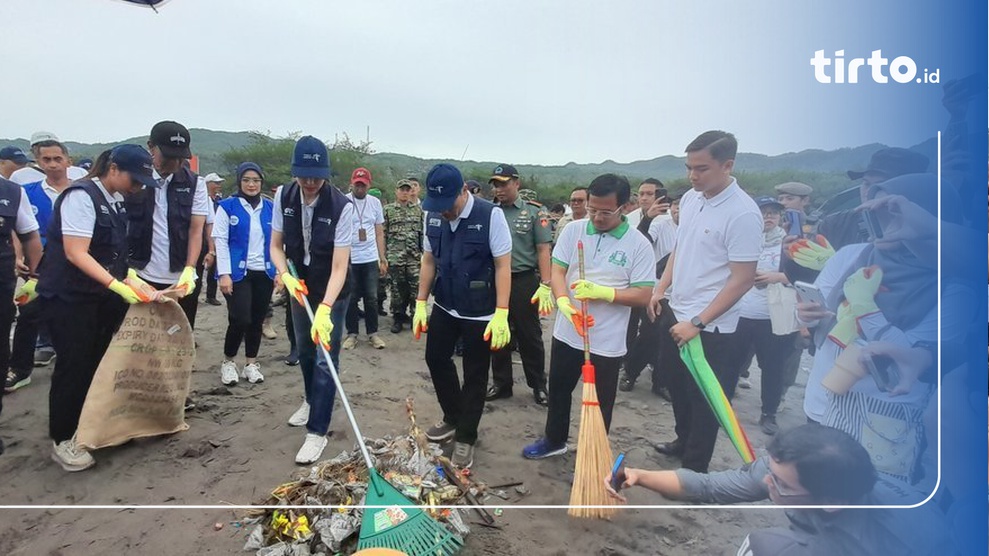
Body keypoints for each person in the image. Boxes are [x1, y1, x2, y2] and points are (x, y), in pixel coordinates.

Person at [797, 173, 966, 483]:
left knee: (867, 502)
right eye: (878, 212)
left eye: (895, 213)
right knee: (811, 490)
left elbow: (908, 356)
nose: (884, 223)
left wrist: (864, 308)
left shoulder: (955, 286)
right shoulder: (852, 256)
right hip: (823, 400)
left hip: (885, 417)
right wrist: (808, 316)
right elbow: (817, 319)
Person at [605, 424, 953, 555]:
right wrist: (637, 475)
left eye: (781, 483)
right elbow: (709, 486)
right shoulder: (793, 469)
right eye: (769, 472)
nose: (766, 483)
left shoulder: (902, 539)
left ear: (831, 502)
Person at [35, 145, 158, 471]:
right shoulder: (82, 196)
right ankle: (63, 438)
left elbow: (113, 252)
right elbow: (77, 253)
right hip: (70, 298)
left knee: (98, 363)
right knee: (73, 366)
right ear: (114, 168)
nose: (139, 186)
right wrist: (115, 285)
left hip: (99, 299)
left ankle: (91, 426)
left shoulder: (115, 201)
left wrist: (130, 277)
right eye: (137, 178)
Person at [650, 130, 762, 473]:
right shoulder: (693, 200)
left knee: (705, 399)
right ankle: (683, 441)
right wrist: (660, 288)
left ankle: (695, 467)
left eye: (702, 169)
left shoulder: (743, 214)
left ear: (727, 165)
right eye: (689, 168)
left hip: (710, 327)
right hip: (676, 312)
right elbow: (680, 248)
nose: (693, 176)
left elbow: (742, 280)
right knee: (674, 384)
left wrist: (697, 322)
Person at [522, 173, 654, 459]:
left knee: (600, 400)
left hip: (607, 339)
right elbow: (558, 271)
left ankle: (593, 450)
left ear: (624, 208)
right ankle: (554, 440)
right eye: (593, 209)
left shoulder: (638, 244)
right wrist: (563, 302)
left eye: (606, 212)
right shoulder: (574, 231)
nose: (597, 217)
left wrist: (605, 293)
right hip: (569, 331)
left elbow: (643, 294)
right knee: (558, 389)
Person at [413, 163, 512, 469]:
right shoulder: (433, 215)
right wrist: (420, 302)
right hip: (445, 303)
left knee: (475, 374)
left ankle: (466, 436)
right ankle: (453, 416)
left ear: (464, 192)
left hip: (481, 311)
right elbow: (429, 260)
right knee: (436, 358)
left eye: (448, 205)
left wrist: (502, 313)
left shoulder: (490, 216)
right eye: (437, 205)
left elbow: (502, 265)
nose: (443, 212)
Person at [269, 135, 354, 464]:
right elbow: (276, 245)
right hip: (299, 285)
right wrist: (285, 274)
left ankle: (317, 432)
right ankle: (309, 399)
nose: (309, 182)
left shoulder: (342, 206)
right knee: (304, 348)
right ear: (295, 172)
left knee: (325, 358)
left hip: (332, 290)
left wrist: (326, 309)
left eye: (316, 176)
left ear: (326, 173)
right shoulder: (283, 196)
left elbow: (340, 266)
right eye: (303, 175)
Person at [127, 121, 209, 329]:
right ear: (151, 147)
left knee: (178, 334)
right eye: (169, 156)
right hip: (141, 272)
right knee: (141, 335)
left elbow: (196, 229)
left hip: (180, 275)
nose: (175, 162)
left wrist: (190, 269)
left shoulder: (195, 183)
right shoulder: (134, 179)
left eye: (181, 157)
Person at [9, 137, 76, 379]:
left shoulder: (81, 190)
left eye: (58, 159)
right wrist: (19, 256)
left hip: (75, 261)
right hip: (40, 263)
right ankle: (20, 368)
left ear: (68, 161)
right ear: (38, 162)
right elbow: (19, 230)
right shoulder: (27, 193)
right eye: (46, 160)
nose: (53, 164)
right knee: (29, 312)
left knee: (75, 313)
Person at [486, 164, 552, 406]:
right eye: (495, 184)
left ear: (516, 183)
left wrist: (546, 284)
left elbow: (543, 249)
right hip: (495, 279)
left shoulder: (534, 212)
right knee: (497, 331)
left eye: (503, 183)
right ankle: (502, 384)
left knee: (529, 335)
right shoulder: (490, 211)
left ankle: (538, 385)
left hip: (523, 279)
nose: (499, 189)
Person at [732, 197, 798, 435]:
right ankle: (724, 409)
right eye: (764, 213)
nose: (768, 217)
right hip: (740, 313)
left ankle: (768, 413)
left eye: (774, 213)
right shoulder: (745, 240)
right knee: (732, 364)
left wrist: (778, 277)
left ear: (781, 217)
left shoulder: (790, 244)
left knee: (772, 367)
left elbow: (805, 277)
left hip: (772, 316)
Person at [212, 162, 274, 386]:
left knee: (257, 320)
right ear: (239, 181)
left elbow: (278, 242)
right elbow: (220, 241)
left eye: (256, 180)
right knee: (240, 317)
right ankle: (228, 361)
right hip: (238, 272)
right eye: (247, 180)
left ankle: (251, 363)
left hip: (264, 271)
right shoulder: (227, 206)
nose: (251, 184)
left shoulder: (270, 207)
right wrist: (224, 274)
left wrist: (279, 270)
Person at [620, 192, 678, 395]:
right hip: (655, 291)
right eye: (676, 206)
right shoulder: (661, 224)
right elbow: (640, 240)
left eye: (683, 206)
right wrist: (648, 219)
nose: (679, 210)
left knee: (670, 341)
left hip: (681, 295)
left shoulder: (695, 229)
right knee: (649, 336)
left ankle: (661, 382)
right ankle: (630, 372)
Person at [343, 167, 387, 350]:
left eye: (363, 185)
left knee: (371, 297)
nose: (360, 188)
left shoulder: (375, 203)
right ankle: (351, 334)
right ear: (352, 183)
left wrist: (382, 257)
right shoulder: (343, 201)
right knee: (351, 298)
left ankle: (373, 334)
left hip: (369, 257)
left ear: (369, 185)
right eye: (357, 185)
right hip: (350, 257)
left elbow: (379, 232)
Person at [384, 178, 422, 333]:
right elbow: (383, 233)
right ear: (396, 191)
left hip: (414, 257)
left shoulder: (418, 210)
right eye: (402, 189)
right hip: (395, 256)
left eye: (407, 190)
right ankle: (398, 317)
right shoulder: (388, 210)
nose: (405, 192)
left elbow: (422, 234)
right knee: (397, 289)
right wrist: (383, 256)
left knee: (416, 288)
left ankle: (415, 317)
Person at [10, 132, 87, 185]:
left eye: (52, 144)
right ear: (32, 150)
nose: (46, 148)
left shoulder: (80, 172)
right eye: (38, 145)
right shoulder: (19, 175)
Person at [203, 172, 225, 306]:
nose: (219, 186)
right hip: (202, 237)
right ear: (208, 184)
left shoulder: (219, 201)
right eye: (216, 183)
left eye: (219, 183)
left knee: (214, 266)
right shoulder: (202, 199)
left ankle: (211, 295)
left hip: (216, 237)